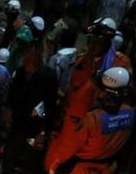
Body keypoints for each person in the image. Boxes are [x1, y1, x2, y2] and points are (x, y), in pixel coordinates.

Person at [45, 67, 135, 174]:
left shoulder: (92, 119)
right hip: (108, 166)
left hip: (83, 170)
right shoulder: (129, 113)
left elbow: (70, 146)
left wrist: (56, 164)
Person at [55, 17, 131, 154]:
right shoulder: (82, 59)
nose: (92, 45)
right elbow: (71, 90)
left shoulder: (119, 65)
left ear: (107, 42)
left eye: (97, 41)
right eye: (91, 39)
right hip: (69, 123)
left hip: (90, 128)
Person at [2, 43, 58, 174]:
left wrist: (44, 130)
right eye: (25, 57)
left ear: (38, 58)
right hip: (19, 122)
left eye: (30, 58)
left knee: (30, 160)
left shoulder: (48, 76)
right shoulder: (20, 73)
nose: (27, 61)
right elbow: (12, 95)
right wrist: (9, 111)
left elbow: (51, 105)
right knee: (9, 155)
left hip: (35, 125)